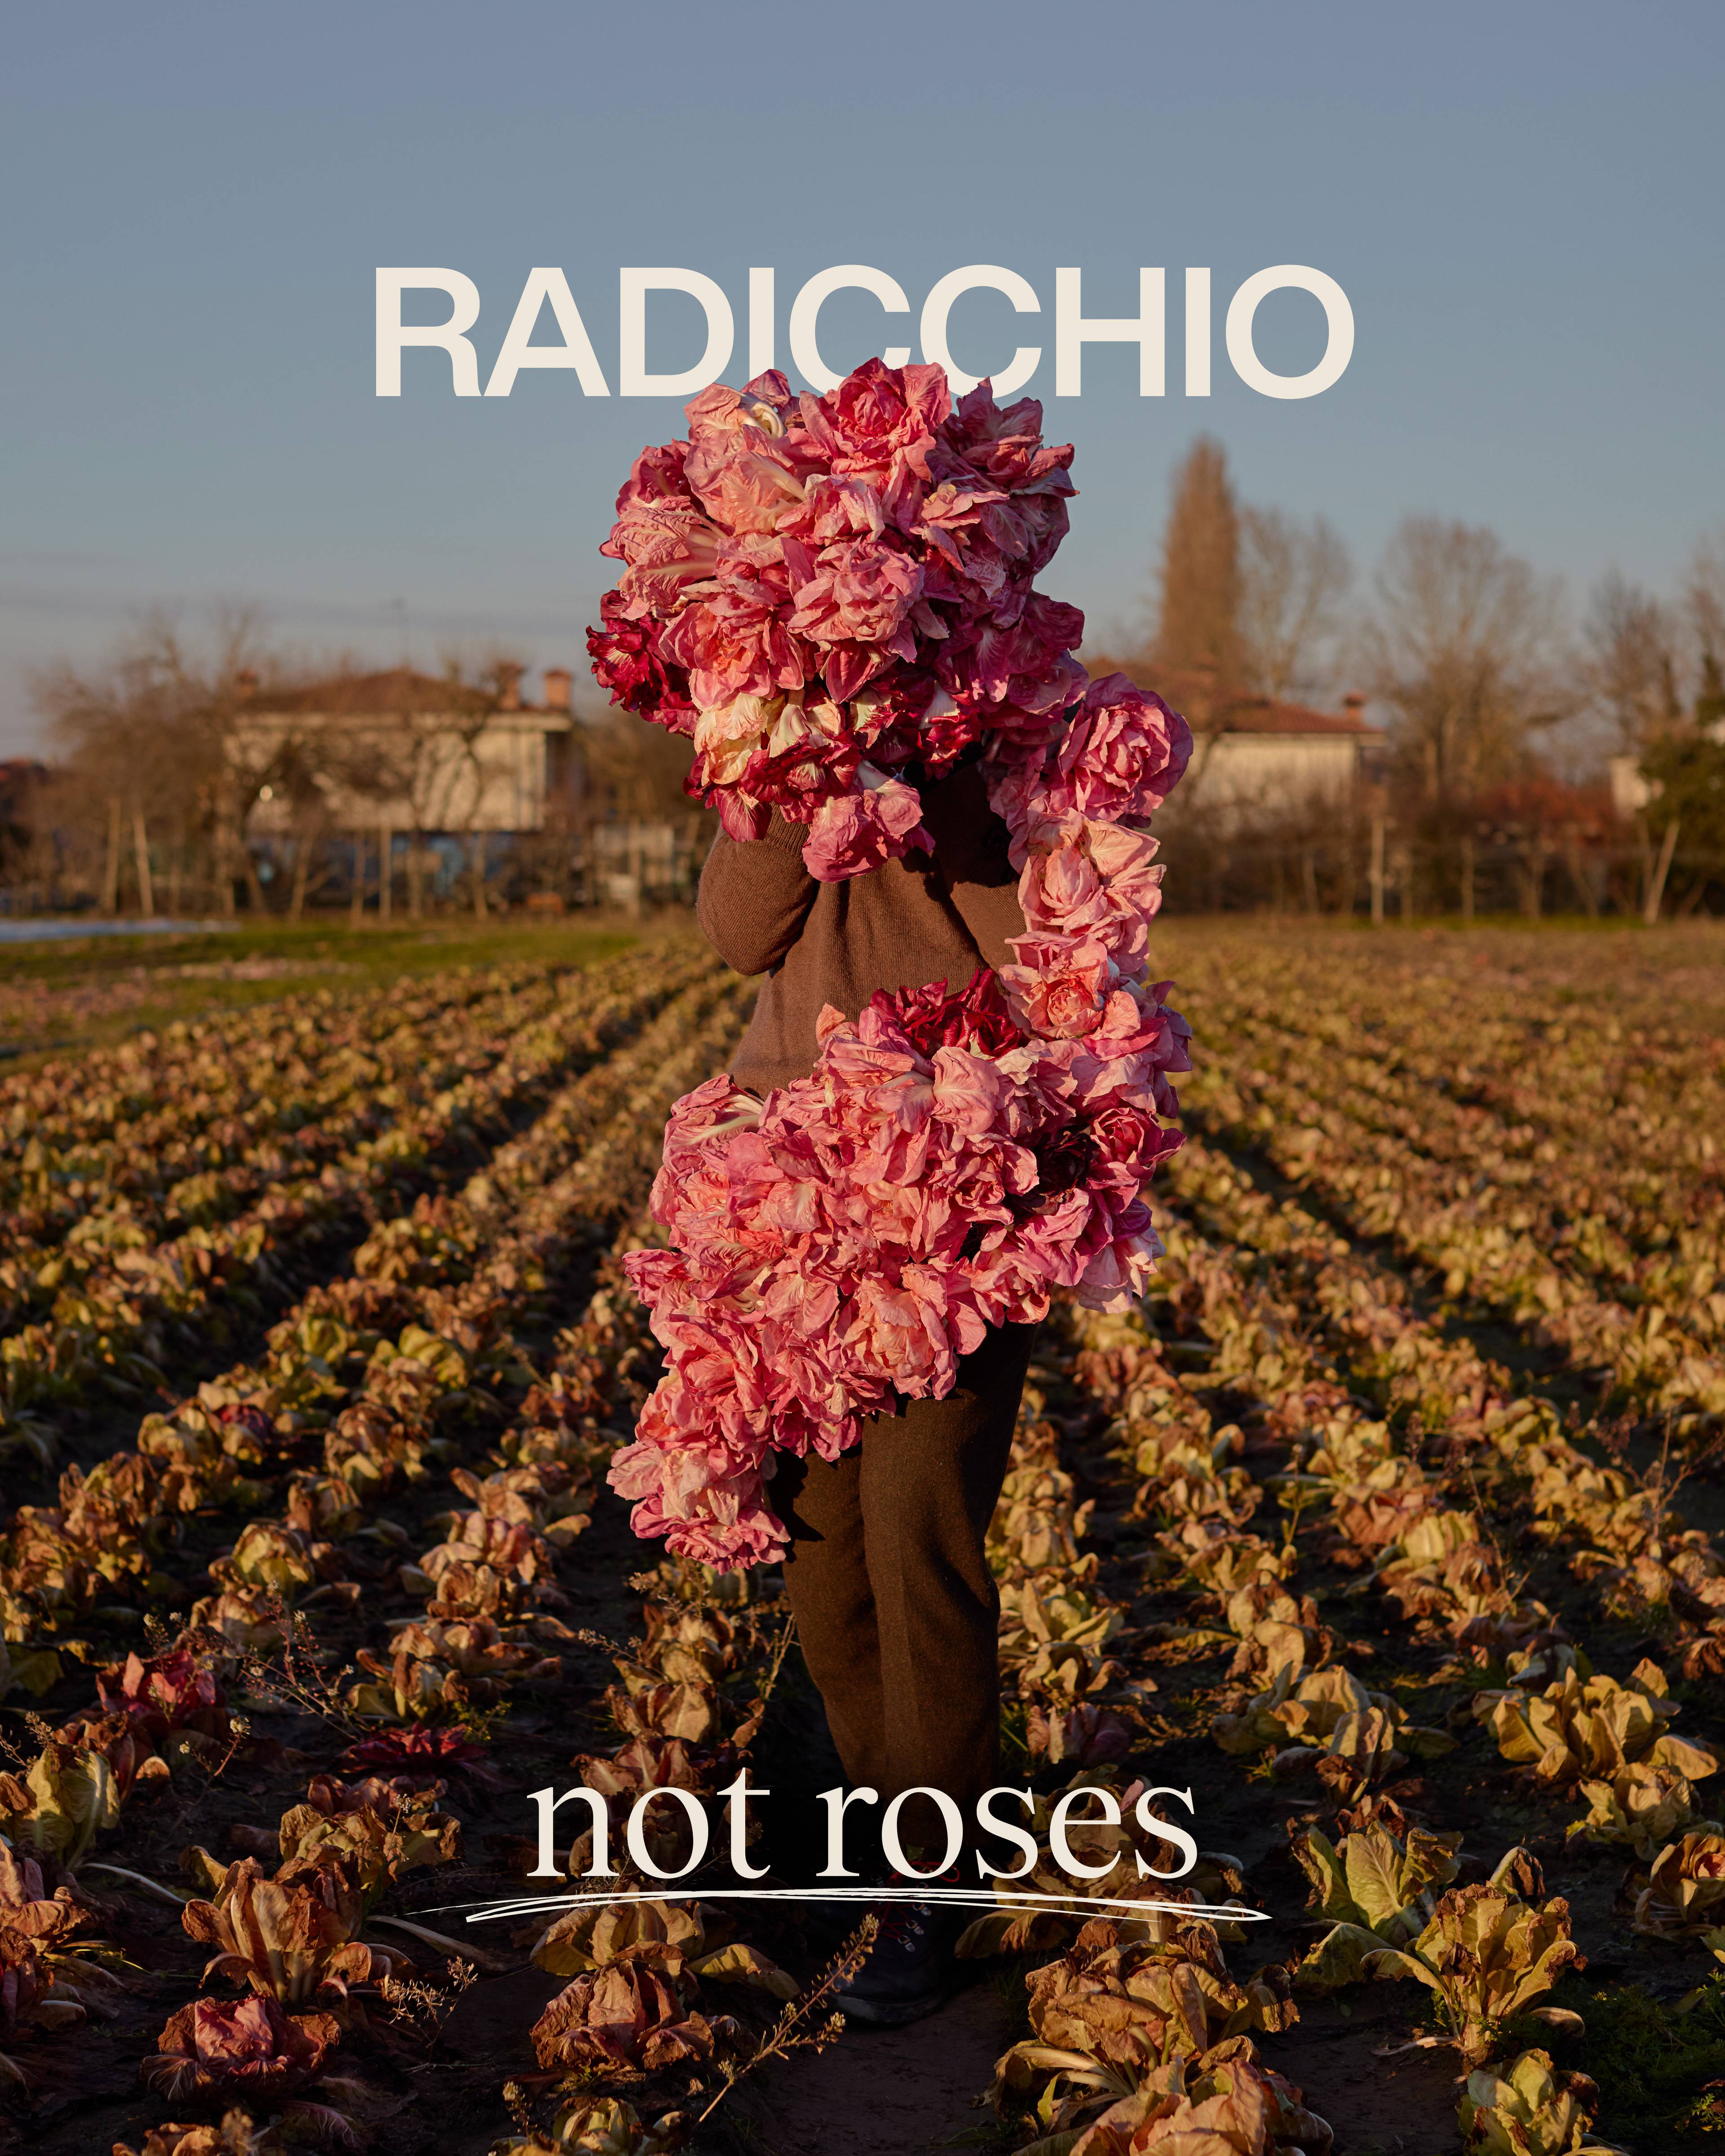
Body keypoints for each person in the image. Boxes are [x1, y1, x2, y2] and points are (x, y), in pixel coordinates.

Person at [694, 757, 1037, 2026]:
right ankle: (889, 1831)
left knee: (919, 1537)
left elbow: (1043, 946)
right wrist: (795, 781)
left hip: (963, 1178)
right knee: (825, 1551)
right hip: (794, 1192)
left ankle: (932, 1888)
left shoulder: (1003, 740)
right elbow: (738, 935)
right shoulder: (776, 729)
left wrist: (943, 798)